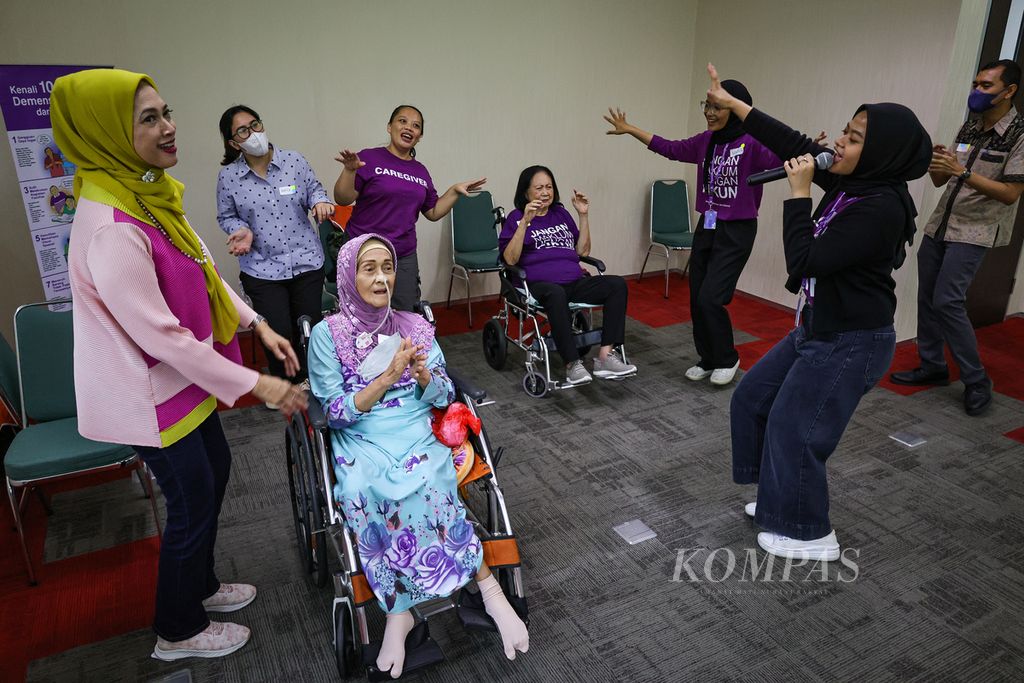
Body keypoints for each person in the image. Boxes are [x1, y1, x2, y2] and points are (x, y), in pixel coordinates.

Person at [51, 69, 308, 661]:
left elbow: (204, 268)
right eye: (148, 119)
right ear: (106, 131)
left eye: (166, 112)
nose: (169, 127)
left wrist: (256, 324)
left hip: (180, 384)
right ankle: (177, 629)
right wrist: (259, 384)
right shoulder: (110, 227)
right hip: (146, 395)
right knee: (190, 500)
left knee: (214, 476)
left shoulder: (148, 192)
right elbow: (162, 338)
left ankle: (201, 585)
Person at [704, 64, 931, 560]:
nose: (841, 143)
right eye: (846, 131)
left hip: (852, 340)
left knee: (796, 429)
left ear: (882, 151)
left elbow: (805, 260)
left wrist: (800, 194)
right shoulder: (856, 180)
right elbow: (794, 141)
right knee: (752, 401)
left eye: (854, 137)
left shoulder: (881, 206)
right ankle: (780, 497)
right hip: (818, 327)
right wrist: (737, 105)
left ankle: (811, 533)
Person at [307, 233, 529, 678]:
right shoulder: (325, 336)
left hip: (413, 423)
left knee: (430, 479)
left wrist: (425, 375)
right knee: (356, 488)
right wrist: (385, 379)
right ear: (348, 275)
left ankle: (488, 589)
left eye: (386, 267)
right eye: (368, 268)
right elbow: (333, 411)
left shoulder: (415, 326)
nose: (380, 277)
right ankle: (398, 610)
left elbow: (445, 395)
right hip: (362, 432)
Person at [604, 83, 780, 386]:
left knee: (712, 297)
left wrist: (807, 151)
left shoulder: (752, 143)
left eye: (717, 107)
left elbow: (784, 158)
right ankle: (708, 358)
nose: (709, 113)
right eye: (707, 105)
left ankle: (727, 358)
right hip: (708, 224)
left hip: (737, 229)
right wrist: (630, 129)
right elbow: (670, 148)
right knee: (698, 297)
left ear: (736, 109)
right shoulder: (706, 141)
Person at [890, 59, 1024, 416]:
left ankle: (977, 381)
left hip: (974, 230)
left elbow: (1011, 193)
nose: (976, 92)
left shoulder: (1020, 135)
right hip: (941, 224)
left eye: (986, 86)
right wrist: (940, 163)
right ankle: (932, 365)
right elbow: (942, 180)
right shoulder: (969, 128)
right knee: (928, 297)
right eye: (976, 84)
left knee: (948, 301)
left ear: (1008, 91)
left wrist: (961, 170)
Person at [216, 105, 334, 399]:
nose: (252, 133)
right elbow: (225, 215)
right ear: (233, 143)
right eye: (243, 130)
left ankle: (314, 382)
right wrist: (240, 229)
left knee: (309, 328)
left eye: (255, 124)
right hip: (262, 268)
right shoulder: (229, 177)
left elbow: (316, 190)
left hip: (306, 262)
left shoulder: (294, 161)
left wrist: (320, 203)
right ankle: (285, 388)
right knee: (278, 332)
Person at [332, 105, 486, 311]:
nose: (409, 128)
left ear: (419, 136)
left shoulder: (420, 171)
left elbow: (432, 212)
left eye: (416, 126)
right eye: (402, 121)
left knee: (405, 314)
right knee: (360, 314)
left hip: (402, 254)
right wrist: (349, 171)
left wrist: (454, 191)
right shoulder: (369, 157)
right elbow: (343, 198)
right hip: (363, 251)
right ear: (389, 126)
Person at [499, 165, 637, 385]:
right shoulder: (516, 218)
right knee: (555, 294)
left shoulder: (561, 213)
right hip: (539, 285)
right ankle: (572, 364)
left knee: (617, 285)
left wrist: (583, 215)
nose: (545, 192)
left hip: (573, 281)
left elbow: (582, 252)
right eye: (539, 188)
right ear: (526, 192)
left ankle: (605, 357)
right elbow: (510, 260)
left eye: (549, 187)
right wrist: (525, 222)